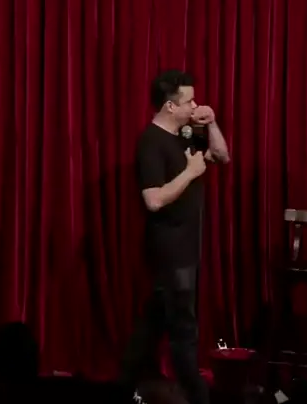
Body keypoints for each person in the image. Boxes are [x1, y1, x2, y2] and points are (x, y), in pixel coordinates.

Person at [120, 69, 230, 404]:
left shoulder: (186, 134)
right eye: (189, 101)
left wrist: (211, 123)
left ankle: (124, 383)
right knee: (184, 329)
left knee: (154, 322)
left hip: (187, 246)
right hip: (170, 250)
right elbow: (153, 200)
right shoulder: (150, 142)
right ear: (170, 106)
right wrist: (190, 173)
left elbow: (222, 156)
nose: (195, 105)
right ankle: (197, 396)